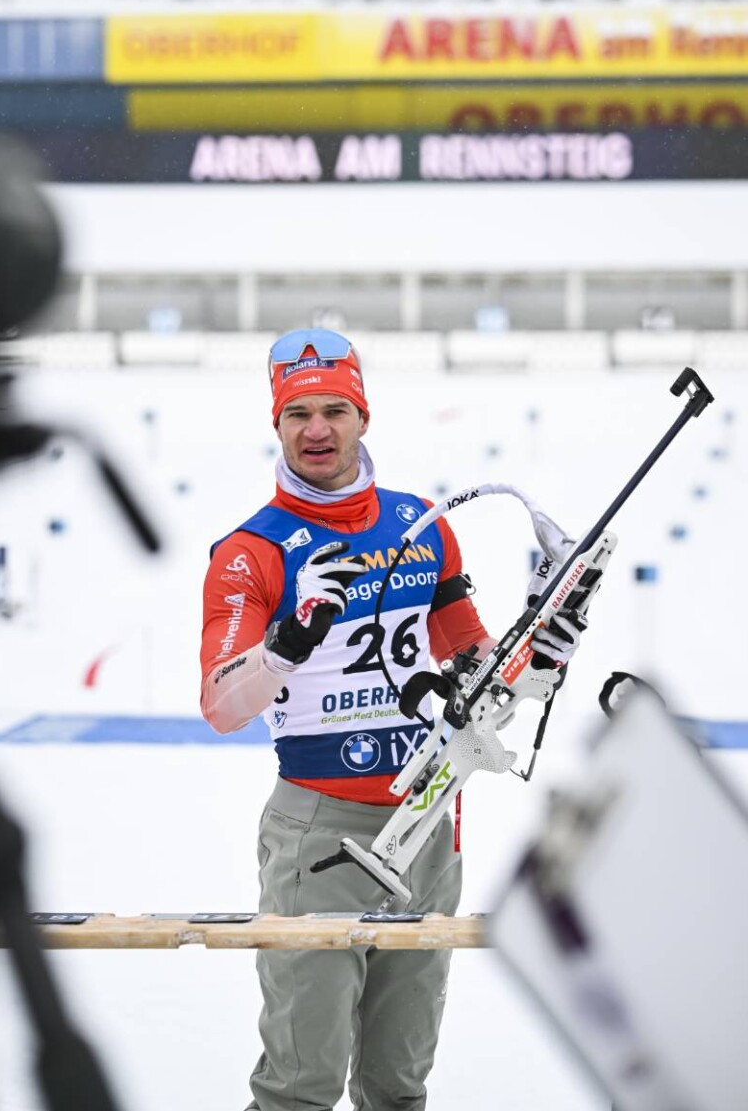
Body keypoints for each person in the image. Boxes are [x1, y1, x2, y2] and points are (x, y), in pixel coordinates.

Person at [199, 328, 582, 1111]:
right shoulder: (250, 551)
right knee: (299, 1086)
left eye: (334, 410)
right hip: (319, 827)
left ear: (362, 416)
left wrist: (545, 646)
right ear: (276, 423)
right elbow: (220, 704)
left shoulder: (421, 524)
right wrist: (285, 643)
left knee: (398, 1084)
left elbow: (477, 666)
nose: (316, 429)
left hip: (428, 819)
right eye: (298, 413)